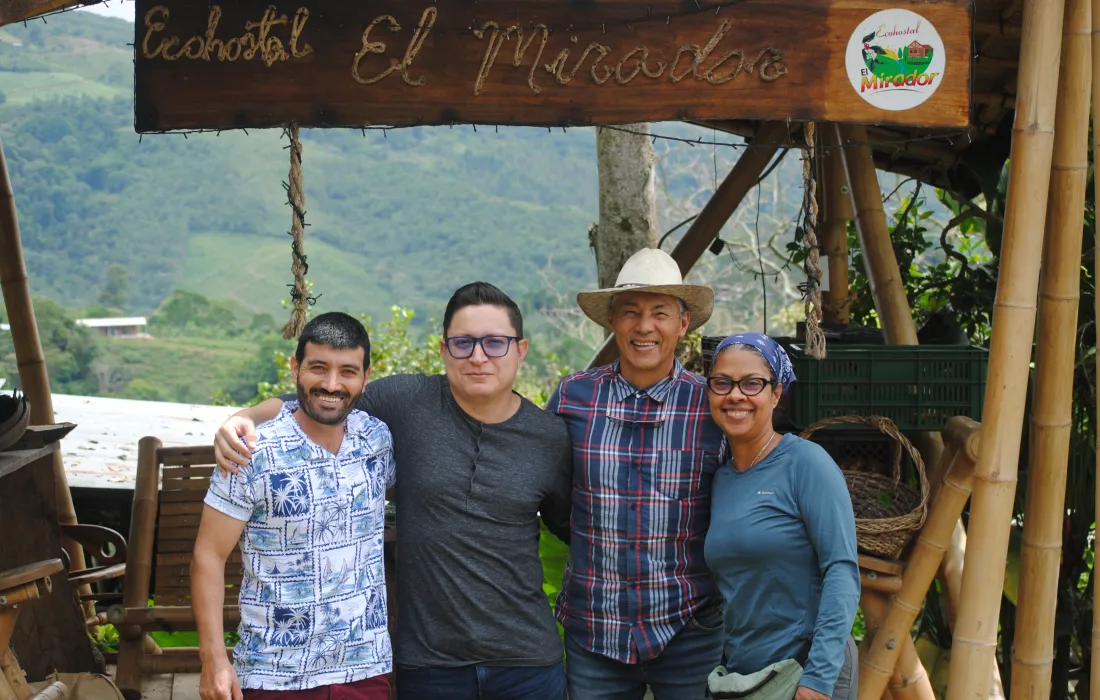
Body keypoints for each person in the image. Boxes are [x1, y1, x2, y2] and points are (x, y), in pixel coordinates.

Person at [212, 282, 572, 700]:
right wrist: (242, 417)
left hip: (528, 662)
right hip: (429, 662)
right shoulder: (407, 401)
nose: (478, 356)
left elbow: (574, 527)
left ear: (521, 349)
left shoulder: (549, 436)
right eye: (463, 343)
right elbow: (322, 401)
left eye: (495, 343)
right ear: (443, 349)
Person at [547, 248, 726, 699]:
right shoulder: (573, 398)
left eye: (660, 314)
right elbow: (551, 495)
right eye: (631, 313)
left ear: (684, 324)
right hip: (595, 628)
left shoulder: (712, 407)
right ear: (612, 321)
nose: (644, 327)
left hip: (689, 626)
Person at [193, 312, 395, 699]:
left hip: (365, 666)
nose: (331, 384)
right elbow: (208, 555)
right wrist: (213, 660)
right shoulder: (250, 452)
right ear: (295, 368)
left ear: (366, 377)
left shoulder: (377, 440)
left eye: (347, 372)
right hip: (273, 672)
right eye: (318, 368)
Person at [702, 333, 860, 700]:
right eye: (722, 383)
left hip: (806, 671)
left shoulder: (806, 463)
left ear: (776, 394)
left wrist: (818, 679)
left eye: (752, 383)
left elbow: (841, 570)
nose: (735, 395)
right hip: (747, 675)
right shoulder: (722, 478)